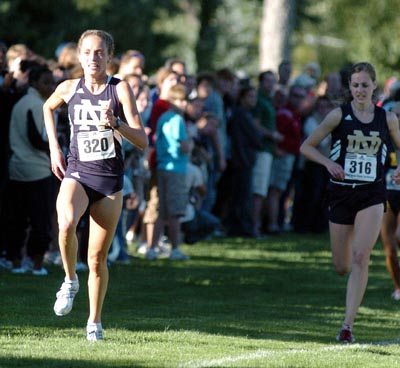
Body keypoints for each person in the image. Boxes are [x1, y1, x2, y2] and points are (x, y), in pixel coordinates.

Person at [43, 29, 147, 341]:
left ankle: (94, 322)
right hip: (77, 172)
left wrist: (117, 124)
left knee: (97, 259)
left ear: (109, 57)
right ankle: (70, 280)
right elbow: (48, 107)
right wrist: (54, 147)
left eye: (100, 52)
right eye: (87, 52)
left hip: (109, 181)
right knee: (65, 226)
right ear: (79, 55)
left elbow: (141, 140)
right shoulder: (69, 88)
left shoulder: (120, 89)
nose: (93, 58)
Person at [300, 62, 400, 343]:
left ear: (374, 86)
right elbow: (306, 146)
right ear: (350, 88)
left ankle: (347, 326)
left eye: (365, 85)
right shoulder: (338, 115)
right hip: (341, 193)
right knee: (342, 266)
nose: (359, 90)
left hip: (372, 193)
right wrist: (328, 163)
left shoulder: (387, 119)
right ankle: (347, 317)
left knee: (361, 256)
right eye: (355, 85)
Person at [4, 62, 55, 275]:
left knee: (17, 220)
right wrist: (54, 148)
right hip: (36, 170)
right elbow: (35, 138)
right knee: (39, 221)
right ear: (34, 83)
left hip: (18, 169)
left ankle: (17, 262)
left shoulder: (24, 102)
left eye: (52, 82)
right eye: (46, 82)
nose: (51, 86)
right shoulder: (35, 104)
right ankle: (36, 265)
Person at [380, 101, 400, 300]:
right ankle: (398, 286)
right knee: (390, 248)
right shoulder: (383, 140)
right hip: (386, 195)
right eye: (395, 115)